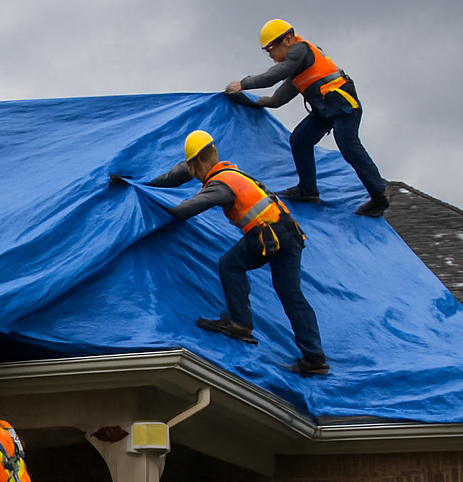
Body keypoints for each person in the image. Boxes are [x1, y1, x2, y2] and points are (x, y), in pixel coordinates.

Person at [129, 130, 329, 376]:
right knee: (291, 295)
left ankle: (240, 323)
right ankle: (315, 358)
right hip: (290, 232)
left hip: (268, 235)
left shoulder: (220, 186)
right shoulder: (229, 171)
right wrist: (143, 186)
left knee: (230, 265)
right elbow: (177, 174)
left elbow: (184, 210)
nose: (189, 173)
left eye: (191, 167)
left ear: (197, 163)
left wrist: (150, 205)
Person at [224, 19, 388, 218]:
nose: (271, 56)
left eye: (271, 49)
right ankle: (308, 191)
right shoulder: (297, 70)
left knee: (349, 146)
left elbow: (273, 76)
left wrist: (243, 83)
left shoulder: (300, 50)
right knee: (300, 140)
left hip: (345, 107)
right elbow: (278, 99)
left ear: (287, 40)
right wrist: (248, 101)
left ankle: (379, 196)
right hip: (325, 111)